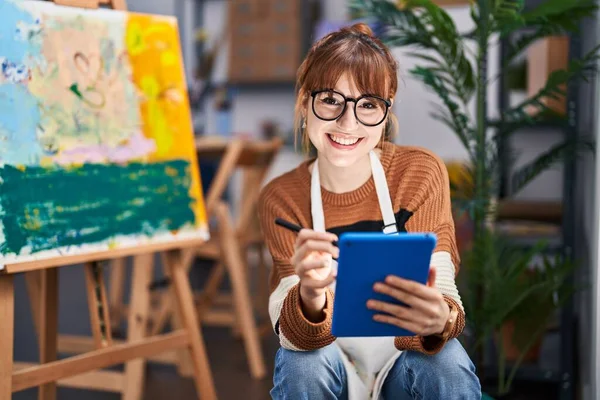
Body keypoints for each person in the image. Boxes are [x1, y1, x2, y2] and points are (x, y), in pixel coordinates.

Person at [257, 22, 482, 400]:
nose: (349, 123)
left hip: (402, 361)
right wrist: (310, 299)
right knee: (303, 363)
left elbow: (444, 292)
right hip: (329, 361)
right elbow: (294, 337)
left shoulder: (419, 173)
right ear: (304, 102)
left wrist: (438, 319)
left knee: (447, 361)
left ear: (386, 110)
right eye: (330, 99)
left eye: (368, 105)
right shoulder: (283, 198)